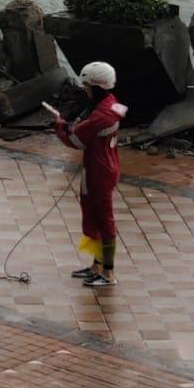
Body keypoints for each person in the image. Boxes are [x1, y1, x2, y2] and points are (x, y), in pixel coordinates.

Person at [53, 61, 127, 287]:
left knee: (104, 218)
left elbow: (74, 140)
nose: (85, 90)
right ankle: (97, 265)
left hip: (100, 170)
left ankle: (108, 273)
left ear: (97, 86)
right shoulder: (111, 103)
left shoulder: (100, 116)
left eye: (87, 87)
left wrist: (60, 126)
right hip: (99, 165)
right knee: (93, 215)